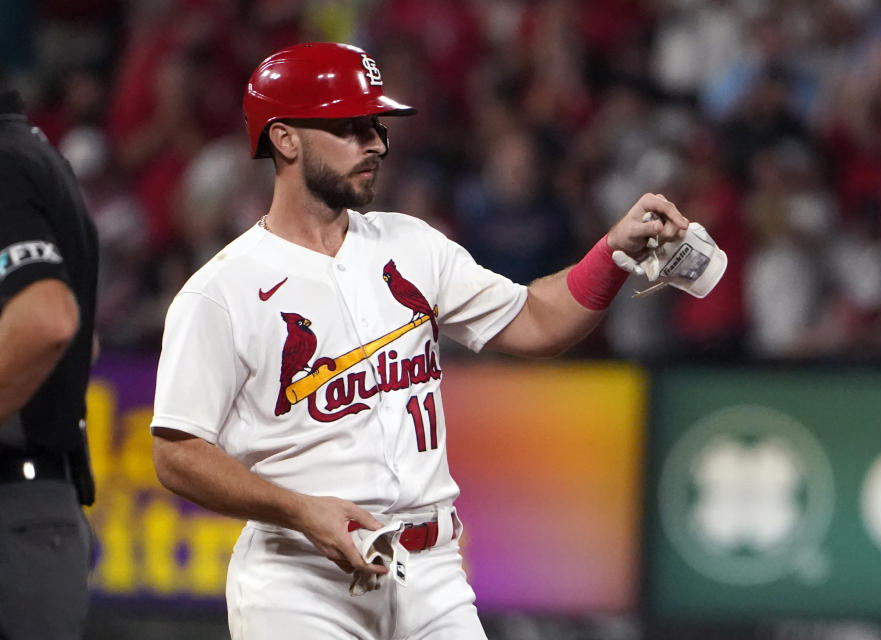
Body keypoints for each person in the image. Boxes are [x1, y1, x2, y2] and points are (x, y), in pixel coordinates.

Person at [150, 42, 689, 639]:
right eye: (352, 127)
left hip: (429, 571)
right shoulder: (221, 291)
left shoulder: (411, 244)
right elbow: (177, 453)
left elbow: (537, 321)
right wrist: (301, 510)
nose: (376, 142)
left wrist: (612, 252)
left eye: (377, 126)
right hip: (300, 576)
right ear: (285, 139)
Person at [0, 88, 98, 640]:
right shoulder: (36, 154)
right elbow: (87, 337)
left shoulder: (6, 163)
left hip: (14, 511)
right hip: (37, 512)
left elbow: (48, 320)